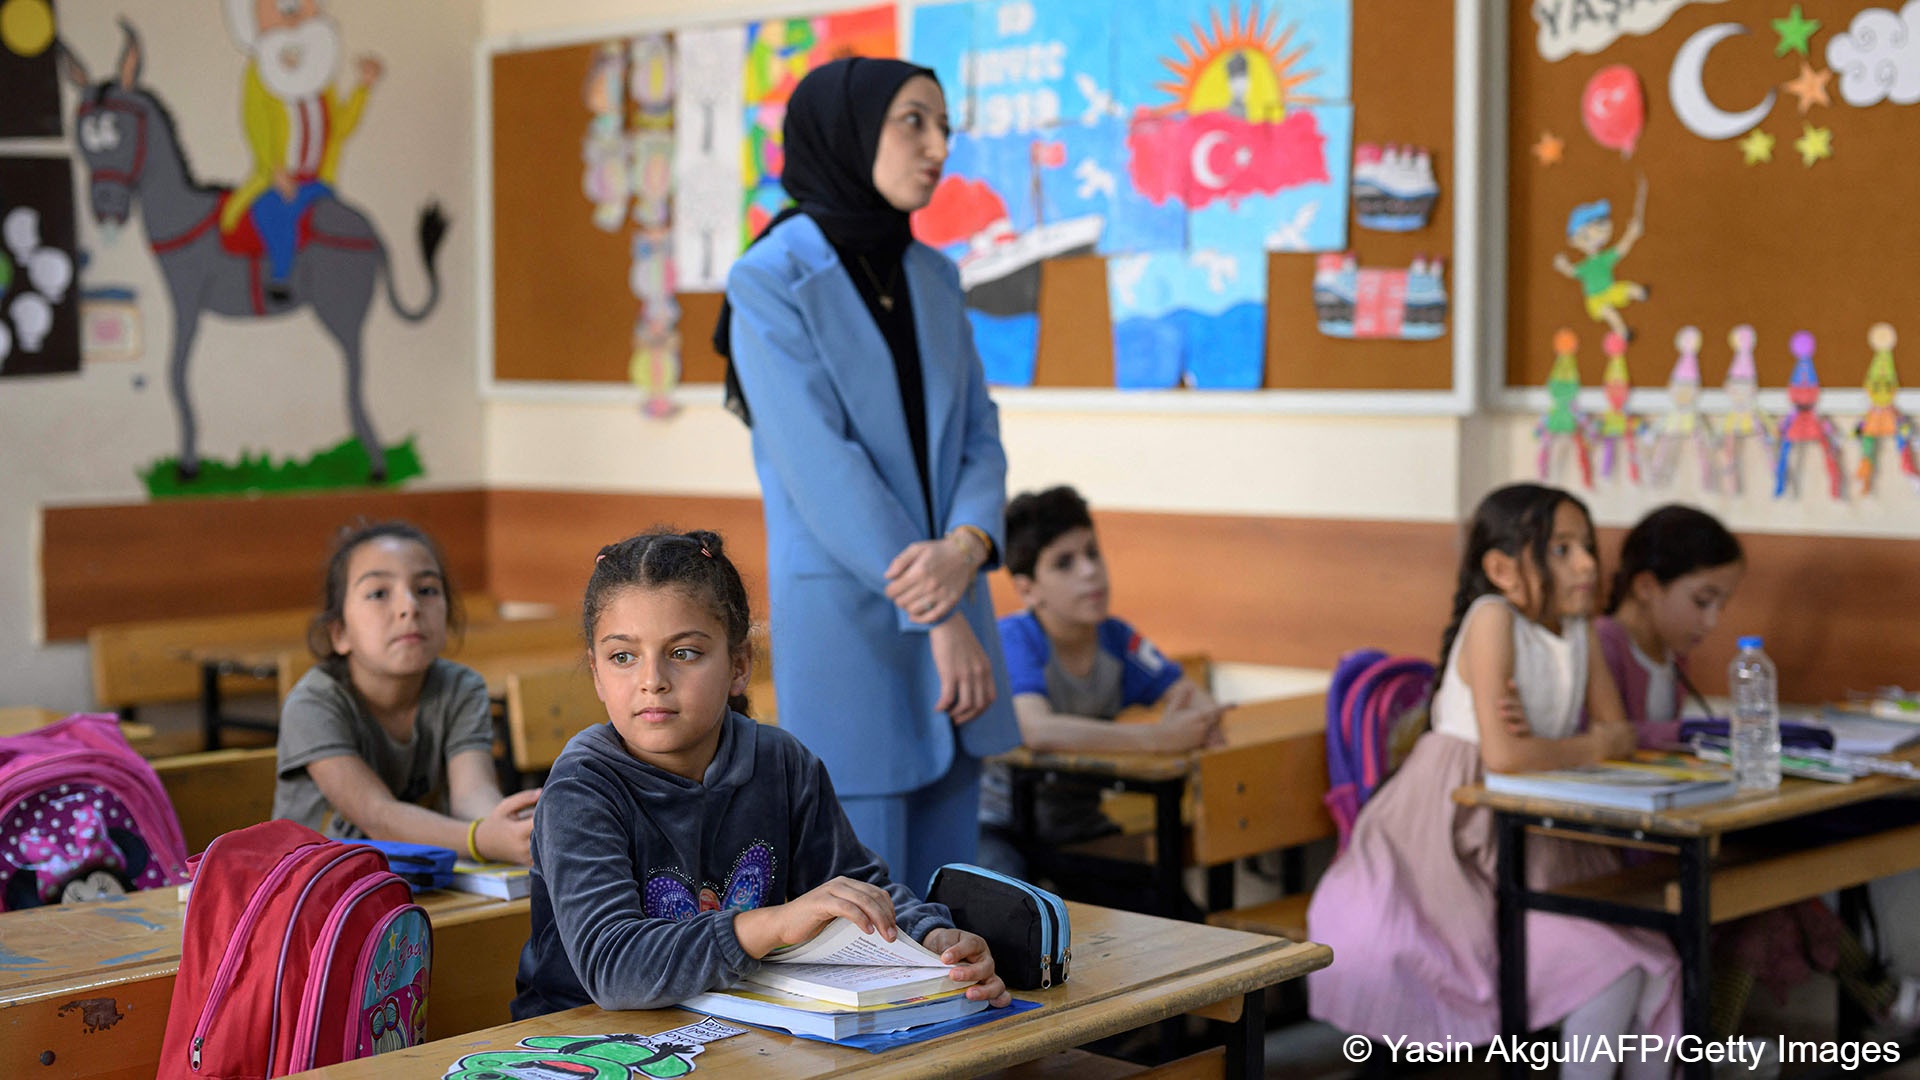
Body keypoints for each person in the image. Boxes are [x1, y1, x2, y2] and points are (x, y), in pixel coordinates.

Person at [715, 57, 1019, 890]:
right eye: (913, 121)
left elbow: (980, 440)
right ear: (849, 133)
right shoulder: (767, 280)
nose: (937, 146)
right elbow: (825, 473)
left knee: (958, 916)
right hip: (857, 630)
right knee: (871, 919)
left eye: (945, 126)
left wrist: (967, 544)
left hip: (956, 614)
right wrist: (943, 612)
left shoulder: (935, 275)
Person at [510, 530, 1010, 1018]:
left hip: (723, 1021)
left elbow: (856, 885)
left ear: (739, 666)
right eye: (623, 657)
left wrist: (930, 940)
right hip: (579, 1039)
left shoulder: (781, 762)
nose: (652, 681)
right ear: (597, 674)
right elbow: (614, 968)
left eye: (684, 653)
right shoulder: (581, 788)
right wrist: (773, 923)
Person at [1306, 483, 1680, 1078]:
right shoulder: (1492, 618)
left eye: (1587, 546)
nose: (1586, 563)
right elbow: (1508, 755)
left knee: (1647, 958)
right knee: (1616, 966)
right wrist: (1580, 747)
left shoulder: (1577, 628)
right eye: (1560, 550)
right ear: (1502, 568)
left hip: (1527, 837)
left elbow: (1622, 735)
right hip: (1442, 846)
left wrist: (1556, 749)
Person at [1599, 505, 1905, 1041]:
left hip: (1672, 830)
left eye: (1722, 604)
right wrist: (1692, 738)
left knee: (1782, 889)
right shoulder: (1603, 643)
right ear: (1645, 586)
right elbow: (1613, 741)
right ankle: (1713, 1040)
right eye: (1702, 601)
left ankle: (1875, 999)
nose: (1712, 622)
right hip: (1623, 847)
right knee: (1771, 901)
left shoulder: (1670, 658)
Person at [978, 486, 1225, 879]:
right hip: (1003, 827)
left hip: (1079, 824)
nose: (1090, 570)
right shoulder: (1015, 638)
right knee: (1005, 915)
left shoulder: (1117, 639)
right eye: (1064, 563)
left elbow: (1195, 700)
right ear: (1027, 589)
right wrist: (1160, 738)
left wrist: (1199, 720)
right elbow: (1037, 730)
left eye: (1092, 552)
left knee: (1165, 905)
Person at [274, 521, 539, 864]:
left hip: (419, 881)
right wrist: (481, 838)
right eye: (379, 593)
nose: (409, 607)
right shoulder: (312, 704)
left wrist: (511, 826)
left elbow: (472, 795)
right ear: (339, 633)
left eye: (427, 589)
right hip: (318, 894)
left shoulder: (460, 688)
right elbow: (376, 814)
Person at [220, 0, 381, 302]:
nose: (290, 12)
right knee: (269, 210)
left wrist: (363, 88)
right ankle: (281, 275)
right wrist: (274, 170)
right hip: (282, 180)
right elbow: (255, 126)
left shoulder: (320, 75)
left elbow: (340, 127)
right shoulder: (260, 76)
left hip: (318, 181)